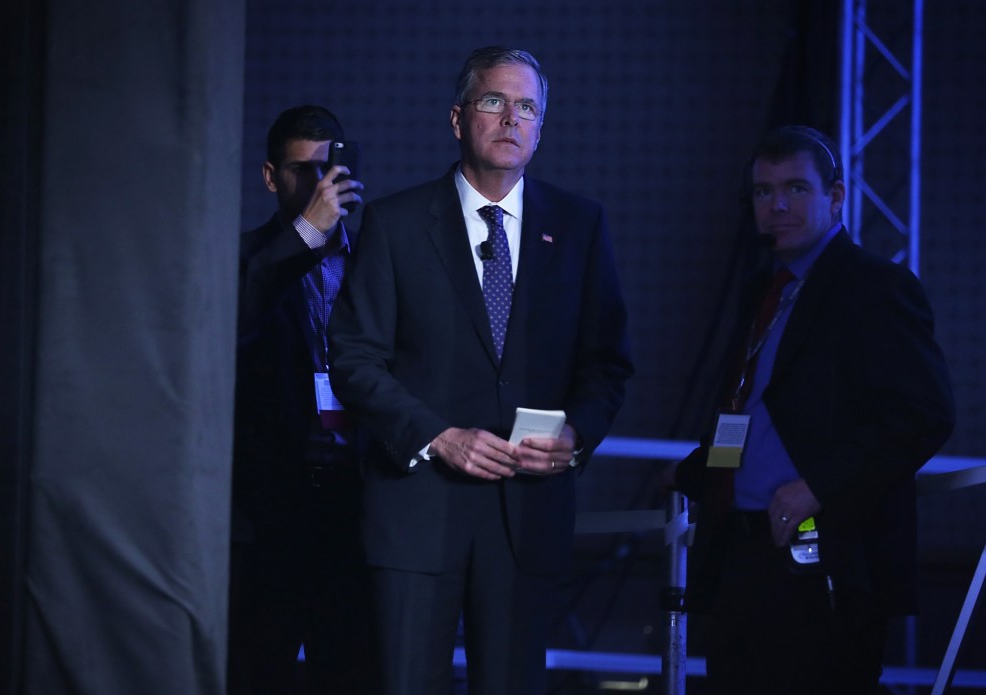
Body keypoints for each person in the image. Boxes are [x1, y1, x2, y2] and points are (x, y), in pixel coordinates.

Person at [327, 46, 633, 694]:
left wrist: (577, 435)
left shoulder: (579, 226)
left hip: (526, 518)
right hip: (416, 516)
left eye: (527, 107)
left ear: (541, 128)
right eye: (494, 101)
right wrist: (439, 436)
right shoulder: (397, 223)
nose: (511, 119)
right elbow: (353, 357)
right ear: (458, 117)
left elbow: (607, 361)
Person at [670, 125, 955, 694]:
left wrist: (815, 487)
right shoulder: (766, 291)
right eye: (763, 191)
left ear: (836, 197)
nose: (777, 205)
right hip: (742, 552)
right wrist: (696, 474)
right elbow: (749, 408)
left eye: (796, 189)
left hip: (821, 549)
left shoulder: (874, 286)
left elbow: (923, 413)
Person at [229, 105, 377, 695]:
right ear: (270, 177)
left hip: (356, 511)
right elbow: (235, 319)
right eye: (300, 170)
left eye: (328, 168)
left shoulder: (376, 261)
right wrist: (307, 235)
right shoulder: (242, 260)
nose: (318, 185)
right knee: (253, 671)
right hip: (269, 515)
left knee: (352, 674)